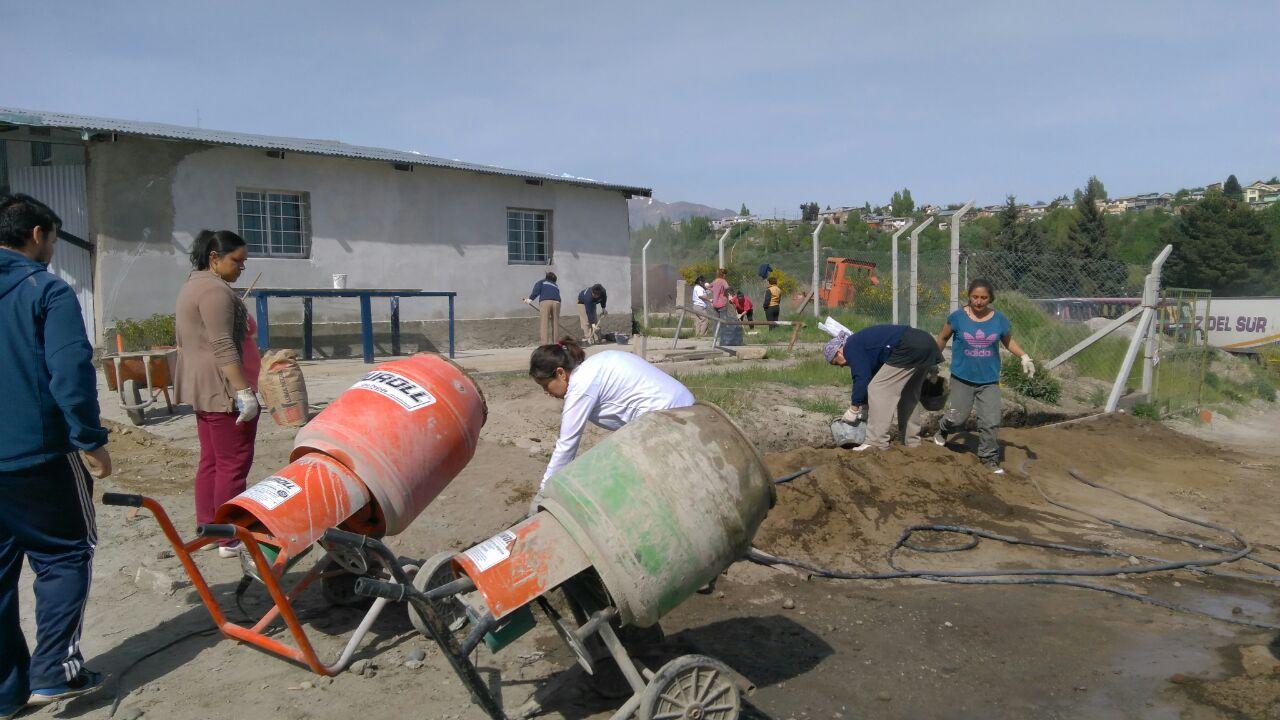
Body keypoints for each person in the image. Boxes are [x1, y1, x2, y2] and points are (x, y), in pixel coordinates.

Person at [1, 193, 111, 717]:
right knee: (66, 554)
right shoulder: (46, 291)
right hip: (38, 453)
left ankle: (5, 692)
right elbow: (70, 373)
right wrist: (90, 440)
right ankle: (53, 671)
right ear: (39, 234)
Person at [175, 230, 262, 556]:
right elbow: (224, 345)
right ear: (214, 258)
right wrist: (244, 392)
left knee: (212, 461)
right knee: (232, 463)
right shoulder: (215, 292)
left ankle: (209, 528)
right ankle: (228, 537)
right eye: (236, 261)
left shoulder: (192, 285)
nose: (241, 268)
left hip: (204, 388)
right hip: (222, 391)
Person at [530, 338, 694, 493]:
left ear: (560, 373)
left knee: (646, 484)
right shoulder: (593, 366)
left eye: (546, 385)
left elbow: (567, 443)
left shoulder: (581, 386)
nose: (546, 392)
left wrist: (544, 491)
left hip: (668, 417)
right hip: (686, 406)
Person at [933, 279, 1035, 474]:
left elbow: (1008, 341)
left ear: (990, 298)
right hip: (962, 377)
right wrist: (933, 360)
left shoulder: (999, 320)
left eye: (984, 298)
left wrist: (1024, 356)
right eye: (975, 297)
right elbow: (943, 337)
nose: (979, 302)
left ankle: (988, 457)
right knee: (958, 418)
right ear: (969, 296)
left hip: (988, 380)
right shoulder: (957, 318)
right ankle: (943, 429)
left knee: (990, 420)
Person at [824, 324, 943, 451]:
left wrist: (854, 408)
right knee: (908, 395)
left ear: (838, 351)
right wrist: (864, 405)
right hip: (925, 343)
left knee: (878, 389)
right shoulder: (862, 344)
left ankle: (876, 442)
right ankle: (912, 442)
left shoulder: (850, 347)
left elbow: (861, 379)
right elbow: (871, 376)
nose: (841, 366)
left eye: (836, 362)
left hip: (907, 347)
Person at [524, 271, 561, 346]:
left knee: (544, 323)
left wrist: (530, 299)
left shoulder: (542, 282)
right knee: (555, 323)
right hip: (557, 302)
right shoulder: (555, 285)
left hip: (546, 301)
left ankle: (544, 345)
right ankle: (556, 344)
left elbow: (536, 290)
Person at [708, 268, 730, 342]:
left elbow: (708, 287)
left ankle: (715, 336)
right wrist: (725, 292)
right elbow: (727, 287)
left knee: (715, 320)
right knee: (723, 320)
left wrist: (714, 291)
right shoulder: (723, 281)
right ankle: (723, 336)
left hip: (715, 304)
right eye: (725, 274)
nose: (725, 276)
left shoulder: (715, 281)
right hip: (722, 303)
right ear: (723, 274)